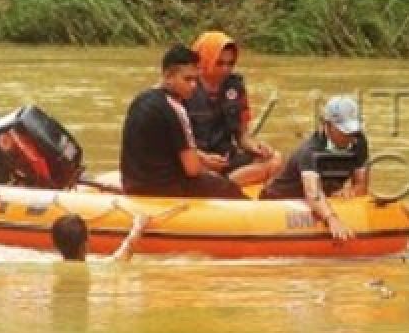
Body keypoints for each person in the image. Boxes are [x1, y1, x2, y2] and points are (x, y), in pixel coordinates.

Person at [119, 44, 247, 199]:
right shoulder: (175, 108)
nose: (193, 85)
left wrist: (202, 157)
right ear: (168, 76)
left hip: (132, 184)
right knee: (229, 189)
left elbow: (164, 148)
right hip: (166, 189)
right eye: (187, 79)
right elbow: (192, 170)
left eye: (196, 79)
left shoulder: (141, 100)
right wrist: (211, 169)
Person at [259, 96, 369, 241]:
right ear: (327, 125)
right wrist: (331, 218)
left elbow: (361, 184)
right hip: (278, 199)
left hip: (324, 194)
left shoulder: (359, 141)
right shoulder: (310, 151)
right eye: (344, 130)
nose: (349, 136)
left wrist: (351, 191)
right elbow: (313, 193)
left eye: (352, 131)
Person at [187, 31, 283, 186]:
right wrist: (202, 157)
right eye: (219, 63)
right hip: (197, 159)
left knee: (275, 159)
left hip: (225, 158)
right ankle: (222, 184)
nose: (226, 69)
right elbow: (175, 143)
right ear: (204, 60)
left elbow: (243, 136)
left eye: (230, 63)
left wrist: (257, 147)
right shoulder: (186, 86)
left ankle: (223, 184)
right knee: (192, 168)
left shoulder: (235, 87)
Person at [51, 212, 149, 262]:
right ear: (85, 244)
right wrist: (139, 225)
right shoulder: (94, 266)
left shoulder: (48, 261)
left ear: (55, 244)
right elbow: (125, 253)